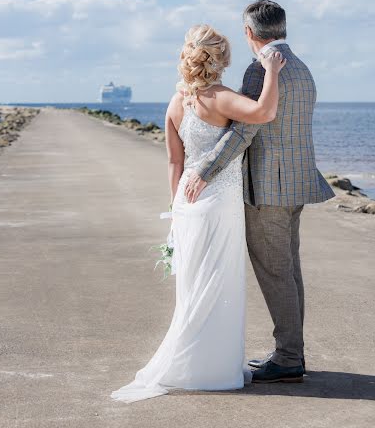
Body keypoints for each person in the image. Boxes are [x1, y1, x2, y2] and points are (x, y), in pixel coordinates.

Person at [111, 23, 286, 403]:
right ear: (220, 60)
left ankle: (194, 363)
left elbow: (175, 163)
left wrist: (177, 212)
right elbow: (264, 112)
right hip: (219, 204)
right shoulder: (221, 97)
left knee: (193, 287)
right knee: (219, 283)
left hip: (187, 204)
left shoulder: (176, 103)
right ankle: (214, 368)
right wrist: (271, 70)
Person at [184, 0, 335, 384]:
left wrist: (205, 169)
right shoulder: (300, 67)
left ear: (249, 33)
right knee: (289, 270)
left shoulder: (259, 70)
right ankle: (291, 352)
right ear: (281, 28)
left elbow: (242, 130)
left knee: (276, 273)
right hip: (297, 183)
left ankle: (287, 357)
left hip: (268, 188)